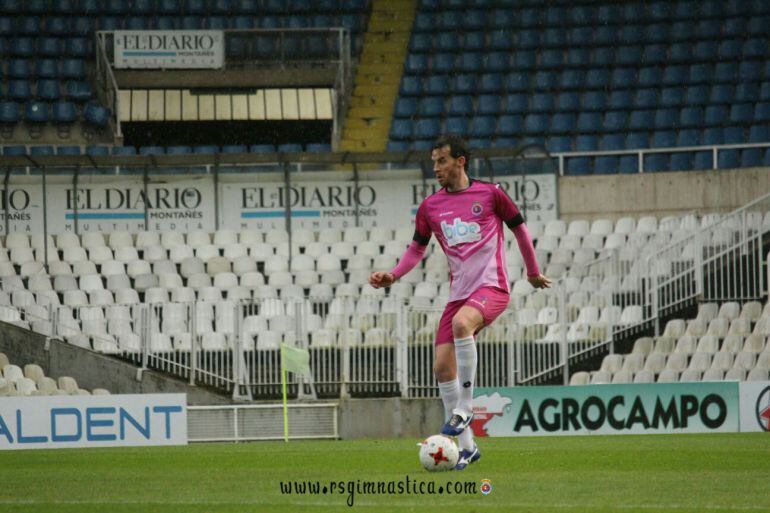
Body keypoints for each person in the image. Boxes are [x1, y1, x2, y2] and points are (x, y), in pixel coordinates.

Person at [369, 135, 551, 470]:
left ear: (460, 161)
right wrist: (393, 275)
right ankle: (467, 448)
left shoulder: (490, 193)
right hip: (459, 296)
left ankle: (465, 409)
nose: (436, 168)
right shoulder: (431, 207)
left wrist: (532, 272)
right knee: (441, 366)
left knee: (461, 324)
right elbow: (416, 249)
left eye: (441, 161)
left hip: (492, 288)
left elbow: (520, 230)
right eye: (434, 161)